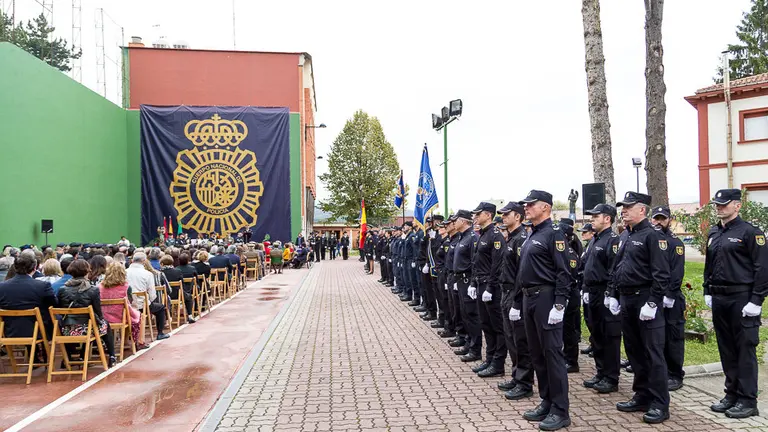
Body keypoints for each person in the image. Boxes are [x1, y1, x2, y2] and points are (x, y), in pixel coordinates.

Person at [703, 189, 767, 419]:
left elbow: (762, 268)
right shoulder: (714, 233)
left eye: (724, 204)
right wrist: (706, 289)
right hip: (720, 298)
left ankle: (748, 400)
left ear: (737, 206)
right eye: (717, 204)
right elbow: (708, 266)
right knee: (727, 349)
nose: (719, 207)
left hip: (742, 298)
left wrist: (756, 300)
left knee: (744, 350)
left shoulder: (750, 232)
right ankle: (731, 394)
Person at [608, 191, 670, 424]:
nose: (623, 211)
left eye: (628, 207)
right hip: (627, 299)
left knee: (653, 354)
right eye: (622, 207)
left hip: (645, 299)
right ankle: (642, 395)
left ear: (642, 210)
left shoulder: (653, 236)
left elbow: (662, 274)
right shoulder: (625, 235)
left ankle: (659, 403)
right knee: (634, 352)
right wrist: (613, 294)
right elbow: (617, 268)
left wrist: (653, 302)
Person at [517, 190, 571, 431]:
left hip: (546, 298)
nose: (526, 208)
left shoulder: (554, 234)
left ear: (546, 208)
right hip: (530, 298)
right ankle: (547, 401)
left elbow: (563, 272)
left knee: (552, 355)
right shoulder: (532, 234)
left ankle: (561, 410)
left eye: (531, 204)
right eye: (525, 205)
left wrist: (559, 304)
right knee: (537, 354)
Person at [581, 204, 622, 395]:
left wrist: (610, 294)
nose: (592, 219)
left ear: (607, 219)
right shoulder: (595, 240)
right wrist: (585, 288)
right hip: (592, 292)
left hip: (605, 292)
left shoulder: (613, 240)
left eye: (595, 216)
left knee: (609, 336)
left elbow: (613, 269)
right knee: (596, 334)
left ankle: (611, 377)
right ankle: (601, 372)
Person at [497, 202, 534, 401]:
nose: (503, 217)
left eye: (506, 214)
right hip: (506, 292)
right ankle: (516, 375)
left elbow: (522, 272)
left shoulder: (521, 239)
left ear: (518, 216)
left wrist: (517, 300)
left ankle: (525, 382)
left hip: (515, 293)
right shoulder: (511, 238)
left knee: (521, 340)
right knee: (511, 338)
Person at [651, 206, 686, 392]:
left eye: (661, 219)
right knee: (657, 337)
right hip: (654, 296)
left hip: (670, 298)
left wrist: (670, 295)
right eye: (655, 219)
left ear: (668, 221)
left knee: (673, 338)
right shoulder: (652, 240)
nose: (658, 222)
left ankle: (675, 374)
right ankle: (661, 371)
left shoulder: (675, 243)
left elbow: (677, 272)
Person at [469, 202, 506, 378]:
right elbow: (477, 263)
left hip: (491, 286)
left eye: (479, 214)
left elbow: (497, 265)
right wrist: (474, 284)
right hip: (481, 284)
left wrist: (490, 287)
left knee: (497, 326)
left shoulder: (495, 235)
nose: (475, 217)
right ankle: (490, 359)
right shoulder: (482, 235)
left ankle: (498, 364)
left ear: (489, 215)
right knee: (486, 325)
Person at [57, 259, 116, 367]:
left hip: (67, 330)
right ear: (86, 271)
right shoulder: (92, 290)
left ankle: (69, 358)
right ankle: (112, 356)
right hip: (87, 329)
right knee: (104, 324)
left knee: (88, 323)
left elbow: (60, 309)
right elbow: (99, 313)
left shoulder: (62, 290)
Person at [0, 254, 58, 341]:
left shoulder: (2, 287)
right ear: (35, 268)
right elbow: (54, 304)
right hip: (38, 330)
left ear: (15, 267)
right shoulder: (42, 286)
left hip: (9, 331)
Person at [452, 210, 482, 363]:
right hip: (460, 280)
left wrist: (472, 283)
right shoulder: (462, 237)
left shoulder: (472, 237)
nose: (453, 222)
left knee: (472, 316)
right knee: (465, 315)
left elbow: (474, 262)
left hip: (467, 280)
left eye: (456, 220)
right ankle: (468, 343)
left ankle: (475, 349)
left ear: (463, 221)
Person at [99, 263, 143, 350]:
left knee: (125, 313)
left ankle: (109, 342)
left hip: (104, 317)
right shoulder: (126, 287)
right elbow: (130, 302)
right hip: (121, 316)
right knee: (135, 314)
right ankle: (130, 341)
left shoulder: (99, 287)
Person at [126, 252, 170, 340]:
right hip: (142, 305)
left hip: (127, 306)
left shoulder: (124, 272)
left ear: (132, 260)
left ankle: (129, 336)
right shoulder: (147, 274)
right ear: (144, 261)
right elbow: (152, 295)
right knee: (161, 307)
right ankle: (160, 333)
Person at [176, 253, 198, 320]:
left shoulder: (176, 269)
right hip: (190, 289)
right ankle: (194, 310)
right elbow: (196, 279)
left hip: (180, 290)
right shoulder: (192, 268)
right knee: (196, 288)